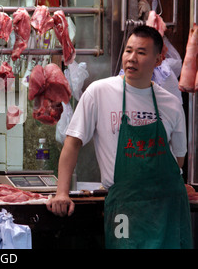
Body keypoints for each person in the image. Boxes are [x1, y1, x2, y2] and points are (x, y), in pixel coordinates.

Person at [46, 25, 193, 249]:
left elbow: (179, 159)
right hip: (125, 205)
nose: (132, 58)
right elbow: (72, 143)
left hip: (167, 207)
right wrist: (62, 193)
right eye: (128, 50)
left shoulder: (170, 103)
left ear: (158, 59)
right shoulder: (99, 92)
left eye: (141, 53)